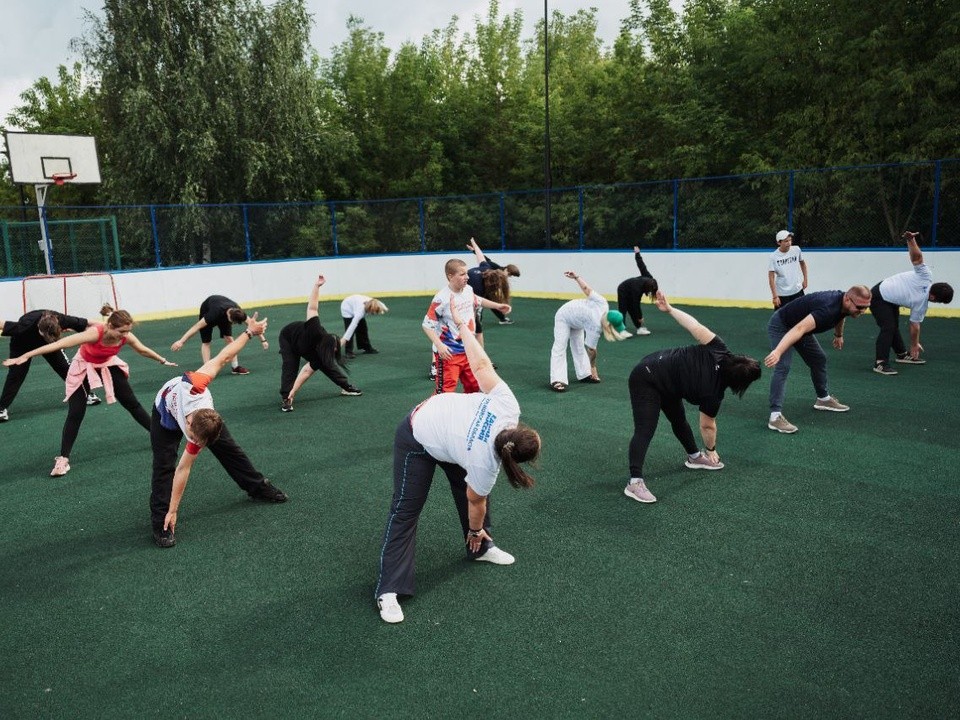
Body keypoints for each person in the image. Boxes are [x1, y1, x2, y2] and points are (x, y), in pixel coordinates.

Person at [374, 297, 540, 624]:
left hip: (453, 440)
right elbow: (479, 367)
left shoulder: (503, 424)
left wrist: (464, 327)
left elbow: (481, 365)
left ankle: (480, 550)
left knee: (476, 493)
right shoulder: (489, 454)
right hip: (417, 435)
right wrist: (463, 326)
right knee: (406, 509)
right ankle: (388, 589)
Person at [150, 312, 288, 548]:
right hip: (164, 410)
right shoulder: (195, 383)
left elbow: (226, 356)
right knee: (164, 465)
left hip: (203, 421)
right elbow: (182, 469)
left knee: (230, 449)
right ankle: (161, 522)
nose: (195, 444)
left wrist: (249, 332)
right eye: (194, 439)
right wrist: (173, 510)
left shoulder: (207, 420)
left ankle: (257, 487)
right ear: (190, 426)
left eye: (199, 443)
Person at [3, 304, 177, 476]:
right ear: (109, 326)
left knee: (131, 403)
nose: (125, 335)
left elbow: (142, 350)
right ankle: (63, 459)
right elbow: (57, 345)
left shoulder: (126, 336)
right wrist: (24, 356)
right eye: (122, 331)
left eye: (127, 331)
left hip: (107, 364)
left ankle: (157, 435)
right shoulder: (94, 333)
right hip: (83, 366)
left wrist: (162, 360)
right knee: (76, 412)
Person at [624, 291, 762, 503]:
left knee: (679, 419)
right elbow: (708, 426)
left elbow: (694, 325)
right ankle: (634, 482)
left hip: (665, 376)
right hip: (647, 378)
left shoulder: (720, 350)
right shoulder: (714, 393)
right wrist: (712, 449)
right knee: (645, 430)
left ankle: (695, 457)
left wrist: (670, 310)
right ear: (740, 384)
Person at [764, 286, 872, 433]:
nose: (862, 311)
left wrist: (838, 335)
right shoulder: (827, 307)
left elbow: (841, 315)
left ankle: (823, 399)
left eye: (866, 307)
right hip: (782, 325)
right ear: (847, 298)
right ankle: (775, 417)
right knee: (783, 365)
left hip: (799, 327)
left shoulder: (845, 304)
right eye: (859, 307)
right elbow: (799, 329)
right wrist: (777, 351)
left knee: (818, 359)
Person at [869, 230, 953, 375]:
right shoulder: (921, 303)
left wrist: (910, 240)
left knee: (893, 326)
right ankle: (880, 363)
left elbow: (917, 258)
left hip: (889, 295)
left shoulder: (926, 276)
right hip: (878, 296)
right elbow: (914, 327)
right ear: (934, 298)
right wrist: (914, 345)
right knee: (888, 327)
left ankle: (902, 354)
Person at [423, 258, 511, 394]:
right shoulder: (441, 298)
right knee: (445, 392)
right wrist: (439, 345)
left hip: (469, 351)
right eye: (462, 274)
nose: (467, 277)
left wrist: (498, 306)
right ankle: (434, 414)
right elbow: (427, 325)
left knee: (474, 387)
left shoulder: (468, 290)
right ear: (450, 276)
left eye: (467, 273)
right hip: (449, 354)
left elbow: (478, 300)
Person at [278, 275, 361, 412]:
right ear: (325, 346)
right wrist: (316, 286)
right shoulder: (314, 329)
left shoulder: (322, 352)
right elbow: (312, 308)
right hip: (288, 337)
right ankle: (286, 398)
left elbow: (305, 372)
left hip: (307, 347)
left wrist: (296, 388)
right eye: (334, 350)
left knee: (326, 363)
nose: (335, 351)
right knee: (290, 366)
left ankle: (346, 387)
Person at [1, 309, 101, 422]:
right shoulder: (25, 325)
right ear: (39, 328)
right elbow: (2, 324)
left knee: (65, 368)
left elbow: (88, 322)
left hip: (51, 343)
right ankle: (1, 408)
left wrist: (111, 327)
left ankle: (84, 394)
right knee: (16, 375)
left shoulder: (63, 320)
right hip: (22, 344)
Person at [550, 271, 630, 392]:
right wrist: (593, 367)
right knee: (560, 346)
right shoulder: (596, 326)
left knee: (578, 346)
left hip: (578, 319)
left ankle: (584, 374)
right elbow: (592, 350)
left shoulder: (603, 303)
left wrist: (577, 277)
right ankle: (557, 380)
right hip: (564, 316)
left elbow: (587, 289)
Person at [170, 295, 267, 374]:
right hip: (208, 309)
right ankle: (206, 369)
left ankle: (235, 367)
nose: (233, 324)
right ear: (229, 317)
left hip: (223, 312)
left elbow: (253, 326)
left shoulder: (238, 311)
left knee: (229, 339)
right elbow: (196, 326)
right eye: (233, 323)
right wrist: (181, 341)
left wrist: (263, 340)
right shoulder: (213, 314)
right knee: (206, 342)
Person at [466, 236, 520, 335]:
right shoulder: (494, 268)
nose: (509, 277)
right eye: (510, 274)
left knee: (487, 303)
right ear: (506, 269)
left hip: (484, 288)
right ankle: (477, 322)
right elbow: (485, 259)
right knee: (478, 305)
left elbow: (482, 258)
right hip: (477, 288)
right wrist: (474, 249)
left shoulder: (494, 274)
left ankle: (500, 318)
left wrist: (474, 245)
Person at [617, 246, 658, 335]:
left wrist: (637, 254)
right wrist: (640, 317)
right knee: (623, 309)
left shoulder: (649, 278)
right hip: (623, 289)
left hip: (631, 288)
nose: (650, 293)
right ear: (646, 288)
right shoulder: (637, 290)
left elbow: (642, 266)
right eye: (650, 291)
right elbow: (636, 305)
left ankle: (639, 329)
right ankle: (621, 330)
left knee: (632, 309)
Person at [768, 230, 809, 308]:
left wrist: (805, 279)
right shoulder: (773, 257)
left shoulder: (796, 250)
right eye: (786, 241)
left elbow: (803, 264)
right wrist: (775, 296)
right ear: (779, 243)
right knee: (781, 318)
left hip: (797, 290)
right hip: (782, 294)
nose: (789, 243)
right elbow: (771, 277)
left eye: (790, 240)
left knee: (801, 315)